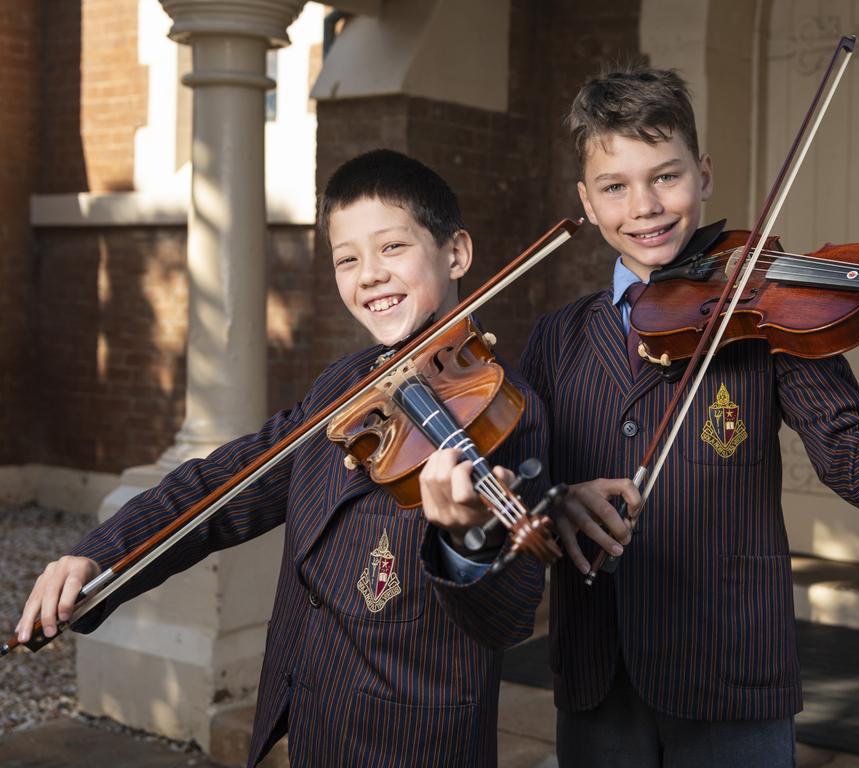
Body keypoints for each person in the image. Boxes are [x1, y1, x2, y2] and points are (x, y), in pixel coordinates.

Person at [15, 149, 548, 767]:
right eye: (347, 259)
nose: (368, 274)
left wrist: (470, 539)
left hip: (416, 742)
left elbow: (509, 618)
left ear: (455, 253)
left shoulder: (508, 409)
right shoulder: (342, 388)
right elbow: (224, 487)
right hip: (311, 722)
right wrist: (98, 556)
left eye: (392, 248)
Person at [519, 64, 859, 767]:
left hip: (732, 669)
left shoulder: (766, 314)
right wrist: (553, 499)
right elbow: (516, 477)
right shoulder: (558, 338)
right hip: (596, 673)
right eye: (616, 186)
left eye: (665, 176)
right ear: (586, 200)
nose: (644, 206)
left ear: (703, 174)